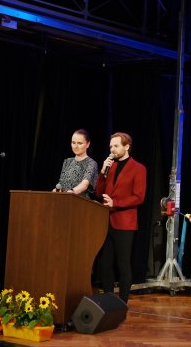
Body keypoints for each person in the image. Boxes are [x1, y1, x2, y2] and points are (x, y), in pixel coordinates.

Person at [95, 131, 146, 304]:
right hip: (106, 221)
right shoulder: (111, 167)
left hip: (124, 223)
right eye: (111, 146)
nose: (112, 149)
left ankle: (123, 303)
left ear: (127, 147)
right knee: (104, 264)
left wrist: (115, 203)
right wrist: (102, 172)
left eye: (116, 146)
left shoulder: (138, 168)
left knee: (123, 264)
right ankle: (109, 300)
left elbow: (139, 197)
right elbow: (98, 192)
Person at [53, 128, 98, 195]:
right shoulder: (67, 161)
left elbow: (84, 185)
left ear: (88, 144)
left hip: (79, 200)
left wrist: (72, 192)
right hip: (64, 198)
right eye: (73, 143)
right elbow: (61, 183)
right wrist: (57, 190)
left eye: (79, 143)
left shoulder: (91, 163)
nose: (75, 146)